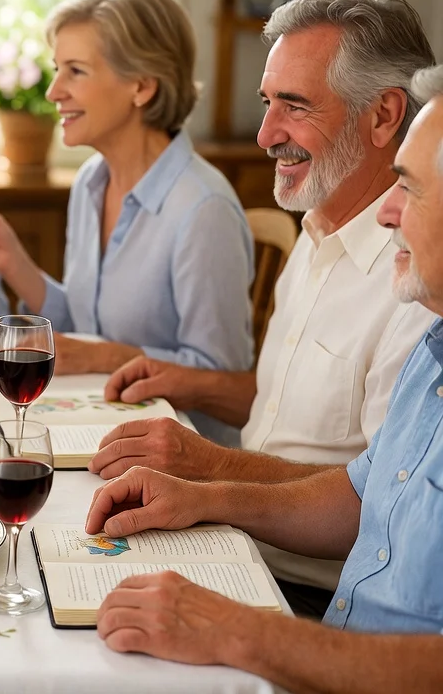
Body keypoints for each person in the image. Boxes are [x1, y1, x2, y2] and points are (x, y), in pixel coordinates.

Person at [82, 65, 443, 689]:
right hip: (329, 637)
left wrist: (237, 631)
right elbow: (361, 495)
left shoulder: (411, 311)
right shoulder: (434, 344)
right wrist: (201, 496)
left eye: (410, 188)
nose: (386, 211)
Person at [0, 0, 255, 413]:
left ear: (142, 86)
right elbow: (83, 327)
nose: (54, 91)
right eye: (57, 69)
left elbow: (227, 388)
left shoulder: (204, 210)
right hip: (96, 416)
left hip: (179, 449)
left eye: (75, 71)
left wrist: (109, 357)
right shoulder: (92, 182)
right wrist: (13, 262)